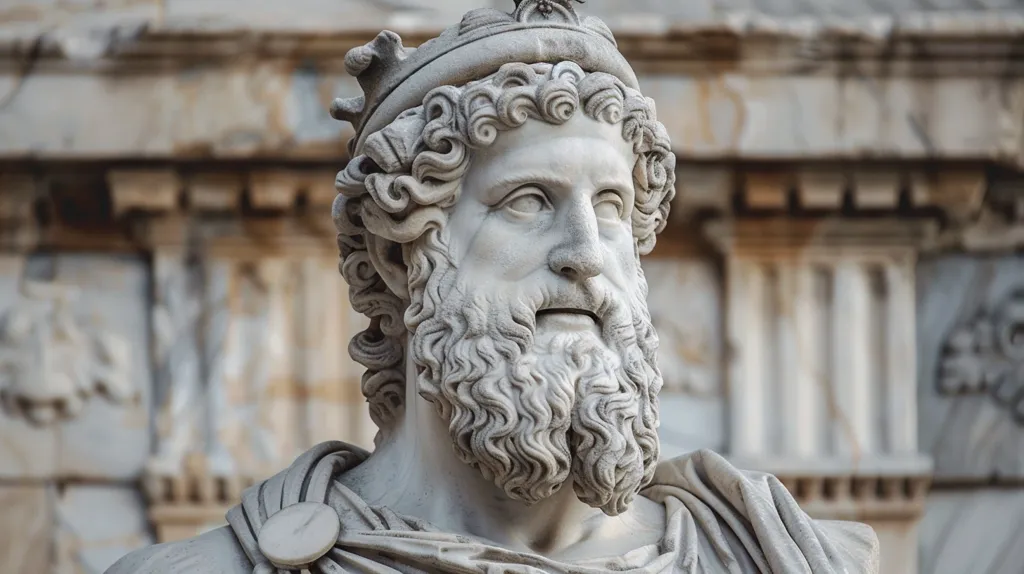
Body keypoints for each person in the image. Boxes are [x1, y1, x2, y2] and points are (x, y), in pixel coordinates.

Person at [108, 1, 878, 572]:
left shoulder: (787, 557)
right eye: (529, 202)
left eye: (611, 208)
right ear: (401, 258)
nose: (586, 252)